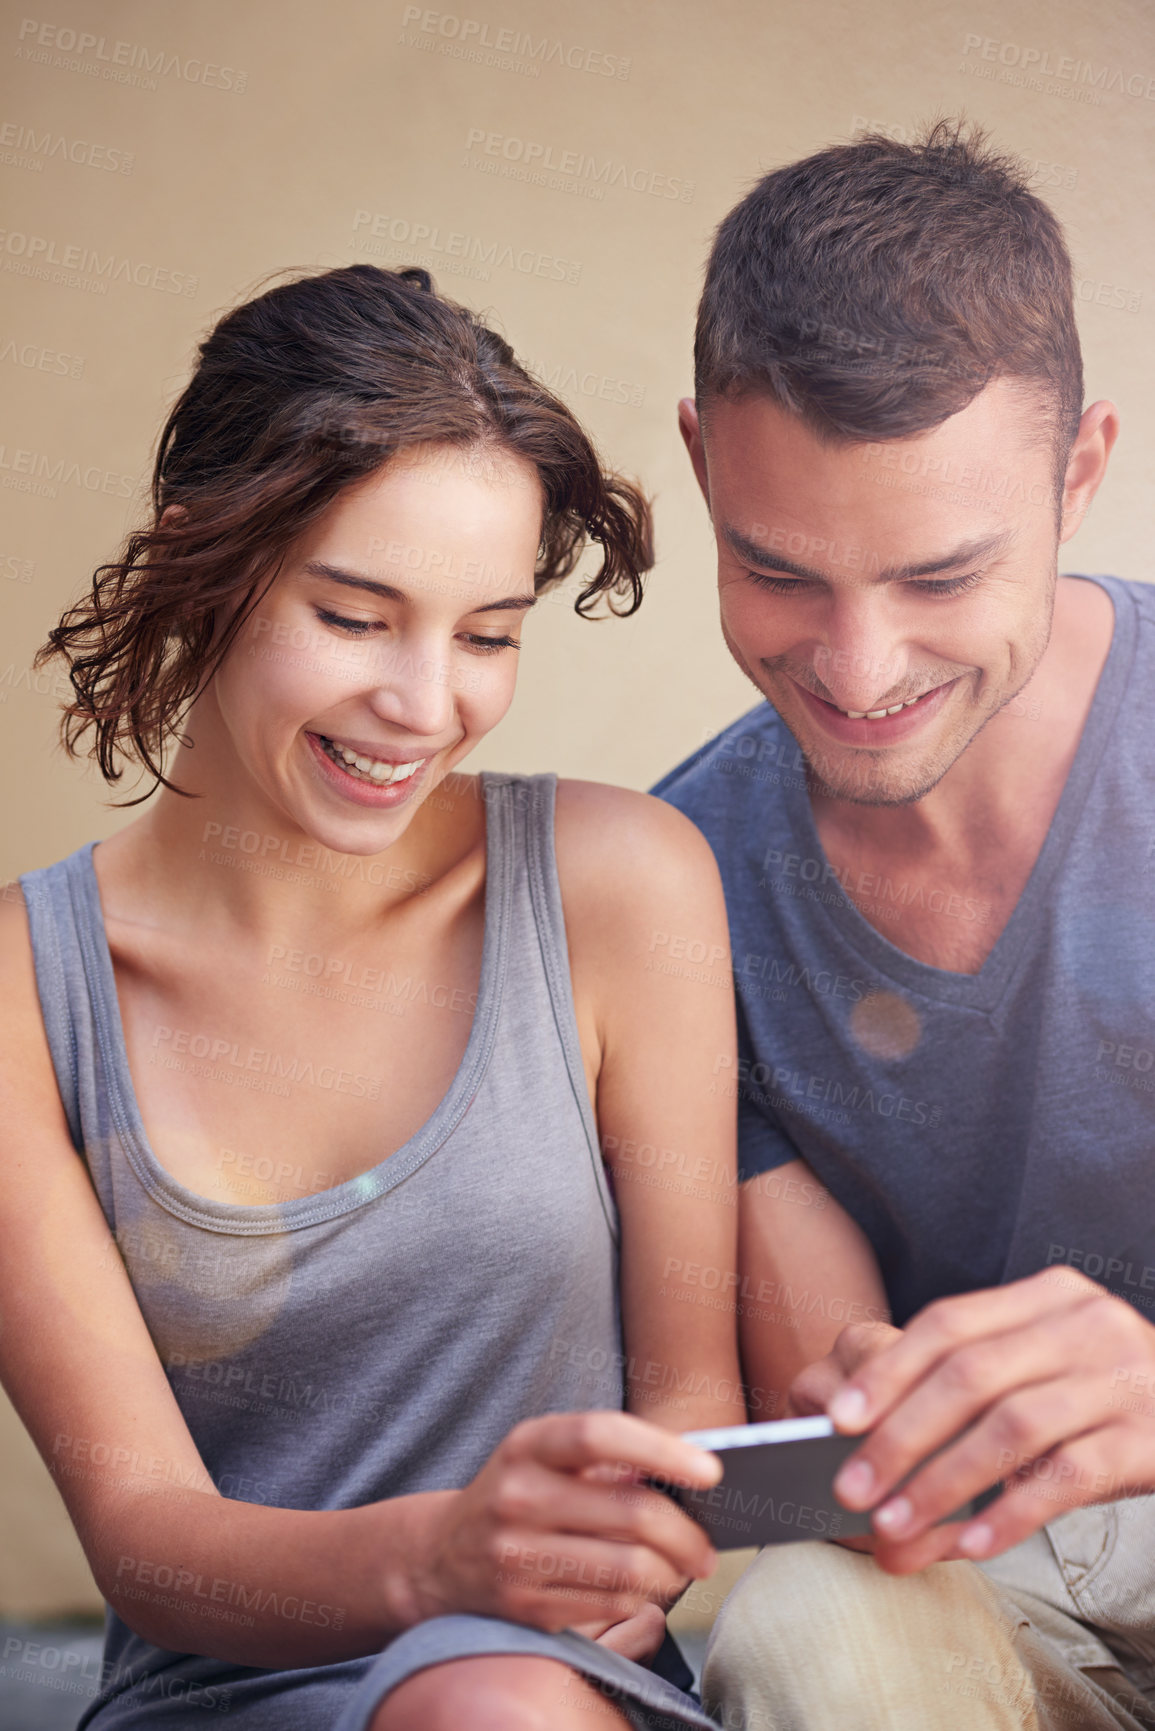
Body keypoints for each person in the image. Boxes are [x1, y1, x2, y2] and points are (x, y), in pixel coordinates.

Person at [0, 262, 747, 1731]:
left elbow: (694, 1400)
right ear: (197, 567)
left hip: (553, 1681)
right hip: (217, 1694)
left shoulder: (621, 885)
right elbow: (146, 1541)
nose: (427, 707)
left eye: (488, 635)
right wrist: (440, 1559)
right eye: (354, 617)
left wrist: (612, 1569)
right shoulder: (29, 992)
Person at [653, 122, 1155, 1728]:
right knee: (805, 1624)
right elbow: (842, 1426)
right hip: (993, 1562)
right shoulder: (673, 893)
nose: (858, 673)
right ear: (701, 465)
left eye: (942, 576)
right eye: (778, 569)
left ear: (1081, 469)